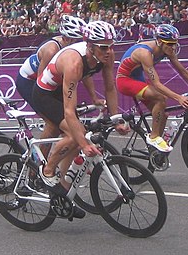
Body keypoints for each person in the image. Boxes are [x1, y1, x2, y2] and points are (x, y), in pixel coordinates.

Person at [32, 21, 129, 219]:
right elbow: (69, 111)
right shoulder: (74, 63)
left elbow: (110, 88)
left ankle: (63, 191)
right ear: (90, 45)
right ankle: (48, 169)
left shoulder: (106, 56)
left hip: (62, 91)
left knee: (79, 138)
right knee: (76, 135)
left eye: (111, 46)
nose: (109, 51)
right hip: (45, 94)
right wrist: (84, 143)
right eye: (104, 47)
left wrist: (116, 118)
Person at [16, 15, 93, 158]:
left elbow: (85, 74)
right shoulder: (52, 50)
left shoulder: (76, 52)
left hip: (48, 82)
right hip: (28, 82)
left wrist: (95, 99)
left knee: (70, 122)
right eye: (76, 41)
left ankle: (70, 160)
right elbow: (40, 84)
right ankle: (39, 162)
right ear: (66, 39)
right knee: (53, 124)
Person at [116, 24, 188, 152]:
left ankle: (154, 152)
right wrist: (179, 98)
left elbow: (183, 72)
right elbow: (156, 84)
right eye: (170, 44)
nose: (173, 47)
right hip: (125, 80)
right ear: (160, 41)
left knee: (163, 114)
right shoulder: (144, 53)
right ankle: (154, 137)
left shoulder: (168, 49)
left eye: (175, 44)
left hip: (137, 78)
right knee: (160, 98)